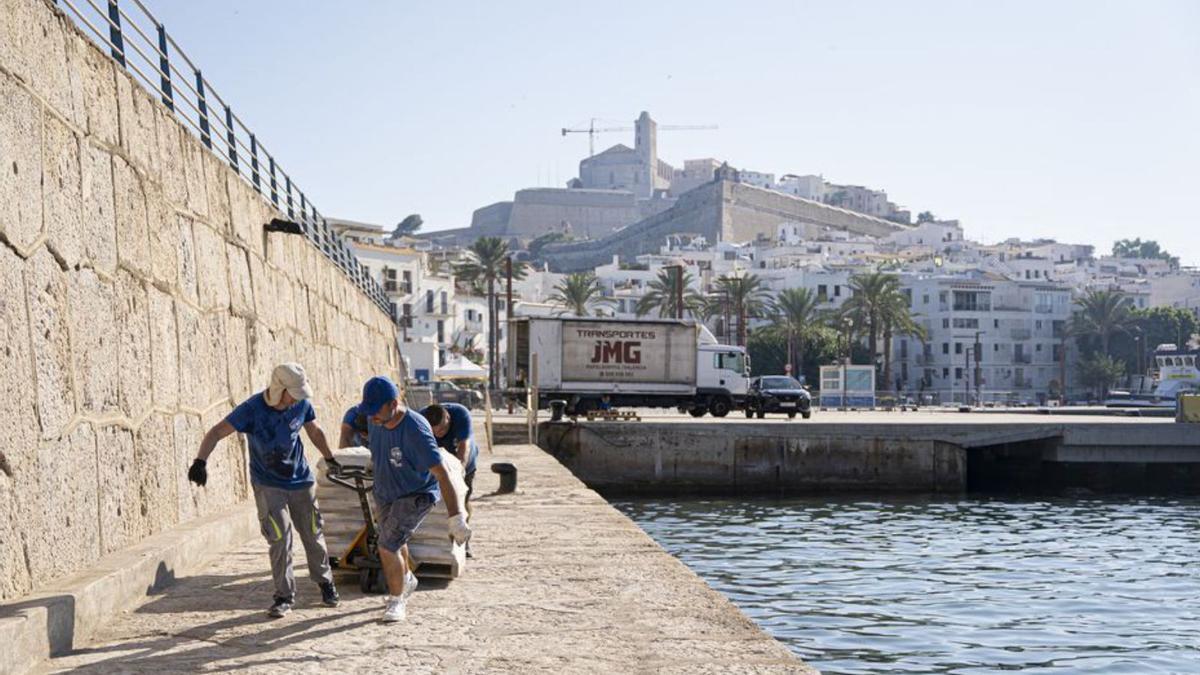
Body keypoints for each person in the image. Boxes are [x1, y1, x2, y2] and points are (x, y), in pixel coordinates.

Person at [189, 363, 341, 618]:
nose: (298, 399)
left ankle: (326, 583)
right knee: (280, 538)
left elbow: (314, 432)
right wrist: (200, 461)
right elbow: (217, 431)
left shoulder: (301, 404)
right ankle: (284, 595)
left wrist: (330, 458)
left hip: (301, 481)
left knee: (313, 533)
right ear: (278, 389)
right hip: (268, 483)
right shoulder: (252, 410)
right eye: (293, 393)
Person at [359, 375, 470, 623]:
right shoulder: (374, 418)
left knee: (387, 545)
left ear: (393, 404)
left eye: (376, 411)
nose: (372, 417)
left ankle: (397, 600)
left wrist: (456, 517)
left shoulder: (415, 430)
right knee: (395, 540)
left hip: (416, 494)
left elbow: (442, 475)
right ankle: (406, 578)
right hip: (386, 491)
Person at [418, 403, 479, 557]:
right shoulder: (419, 419)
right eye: (435, 432)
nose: (440, 434)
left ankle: (463, 542)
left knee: (461, 501)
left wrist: (459, 472)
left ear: (448, 417)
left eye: (443, 429)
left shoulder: (461, 414)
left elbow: (464, 447)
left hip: (463, 465)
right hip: (435, 464)